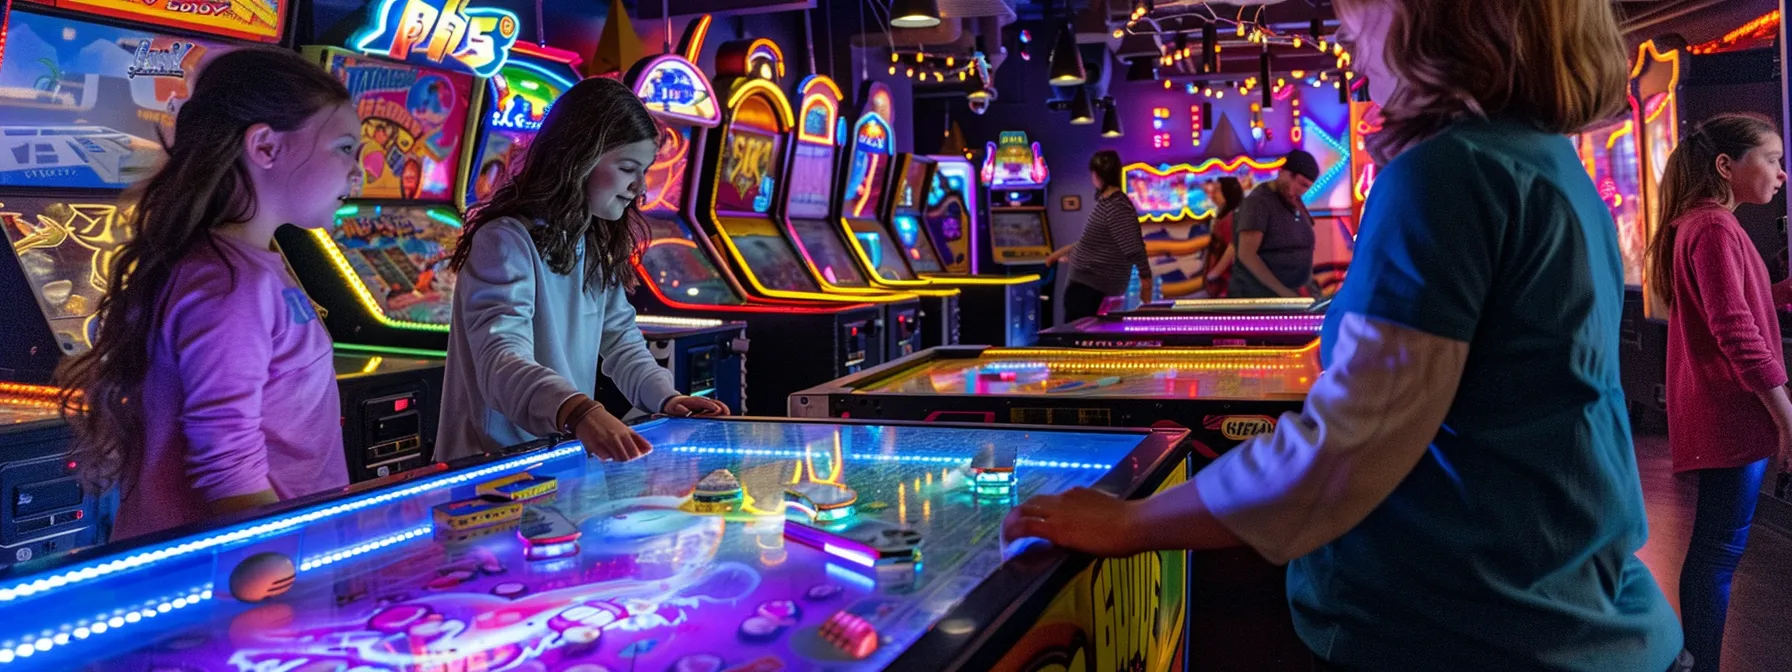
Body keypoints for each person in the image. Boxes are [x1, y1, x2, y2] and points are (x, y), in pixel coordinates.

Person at [1004, 0, 1686, 670]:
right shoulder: (1547, 165)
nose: (1352, 41)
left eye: (1361, 16)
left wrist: (1131, 523)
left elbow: (1351, 445)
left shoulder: (1448, 173)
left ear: (1435, 19)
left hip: (1463, 626)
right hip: (1559, 601)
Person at [56, 49, 361, 540]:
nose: (358, 172)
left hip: (262, 560)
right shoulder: (231, 284)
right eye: (345, 148)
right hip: (238, 575)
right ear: (265, 147)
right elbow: (227, 462)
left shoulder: (245, 267)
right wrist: (278, 564)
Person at [436, 77, 727, 463]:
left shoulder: (589, 240)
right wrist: (577, 410)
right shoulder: (504, 241)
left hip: (560, 453)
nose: (640, 187)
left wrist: (666, 397)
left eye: (643, 170)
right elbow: (500, 361)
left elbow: (620, 339)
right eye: (628, 168)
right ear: (578, 158)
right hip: (493, 467)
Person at [1645, 112, 1790, 671]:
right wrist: (1785, 415)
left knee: (1716, 548)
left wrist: (1779, 291)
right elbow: (1734, 329)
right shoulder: (1713, 228)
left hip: (1724, 407)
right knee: (1718, 551)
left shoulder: (1704, 225)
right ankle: (1699, 662)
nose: (1781, 173)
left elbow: (1733, 308)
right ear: (1727, 166)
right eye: (1773, 159)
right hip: (1733, 409)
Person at [1044, 149, 1152, 322]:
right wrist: (1058, 255)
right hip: (1089, 288)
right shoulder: (1108, 203)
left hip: (1091, 290)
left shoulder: (1116, 205)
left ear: (1097, 175)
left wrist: (1146, 281)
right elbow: (1090, 242)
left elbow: (1134, 247)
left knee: (1081, 343)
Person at [1231, 150, 1319, 298]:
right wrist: (1282, 291)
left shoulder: (1293, 199)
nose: (1302, 191)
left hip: (1294, 294)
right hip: (1263, 297)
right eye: (1301, 184)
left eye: (1307, 187)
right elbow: (1246, 254)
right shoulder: (1259, 202)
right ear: (1284, 173)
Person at [1203, 176, 1246, 297]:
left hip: (1228, 282)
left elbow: (1233, 248)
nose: (1213, 194)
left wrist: (1214, 273)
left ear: (1228, 193)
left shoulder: (1230, 218)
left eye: (1217, 190)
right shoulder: (1225, 215)